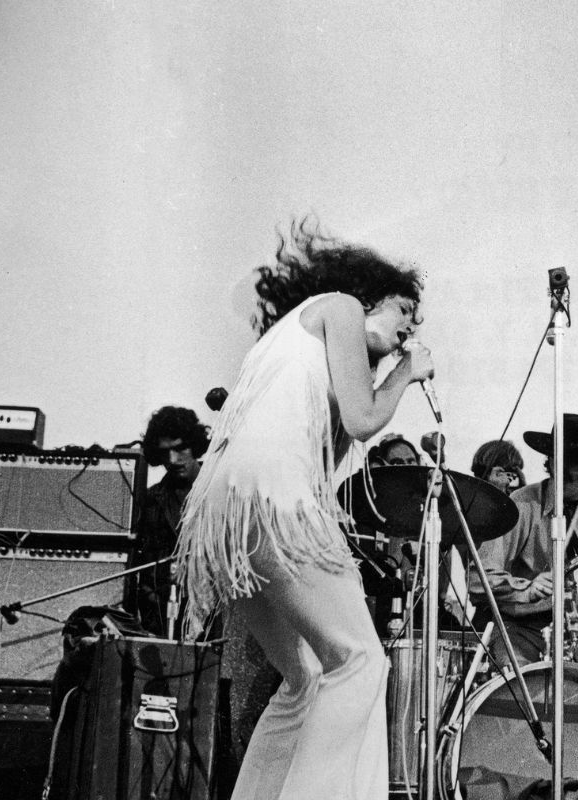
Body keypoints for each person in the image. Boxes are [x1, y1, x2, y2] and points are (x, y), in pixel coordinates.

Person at [175, 219, 431, 800]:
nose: (408, 329)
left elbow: (339, 435)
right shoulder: (339, 306)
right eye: (402, 312)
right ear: (369, 297)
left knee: (305, 676)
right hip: (271, 497)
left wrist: (382, 375)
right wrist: (404, 376)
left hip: (231, 512)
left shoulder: (295, 343)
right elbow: (365, 419)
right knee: (362, 661)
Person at [471, 413, 578, 662]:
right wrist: (527, 588)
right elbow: (477, 579)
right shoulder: (521, 504)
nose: (564, 466)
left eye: (576, 460)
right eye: (559, 456)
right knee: (516, 673)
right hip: (526, 629)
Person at [132, 405, 209, 636]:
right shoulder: (151, 500)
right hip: (166, 620)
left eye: (180, 448)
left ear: (194, 445)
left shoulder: (220, 490)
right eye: (165, 452)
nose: (173, 459)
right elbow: (145, 575)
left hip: (216, 618)